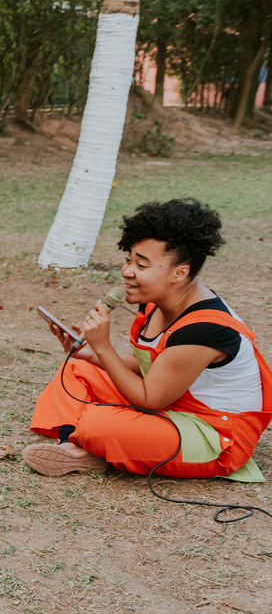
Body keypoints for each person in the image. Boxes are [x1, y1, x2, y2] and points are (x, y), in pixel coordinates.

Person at [24, 199, 272, 480]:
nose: (127, 271)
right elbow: (153, 367)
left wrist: (104, 347)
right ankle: (72, 446)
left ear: (180, 272)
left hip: (213, 434)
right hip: (171, 404)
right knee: (77, 369)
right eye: (128, 260)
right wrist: (92, 355)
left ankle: (94, 442)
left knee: (98, 424)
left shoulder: (204, 329)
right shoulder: (157, 301)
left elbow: (149, 399)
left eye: (141, 265)